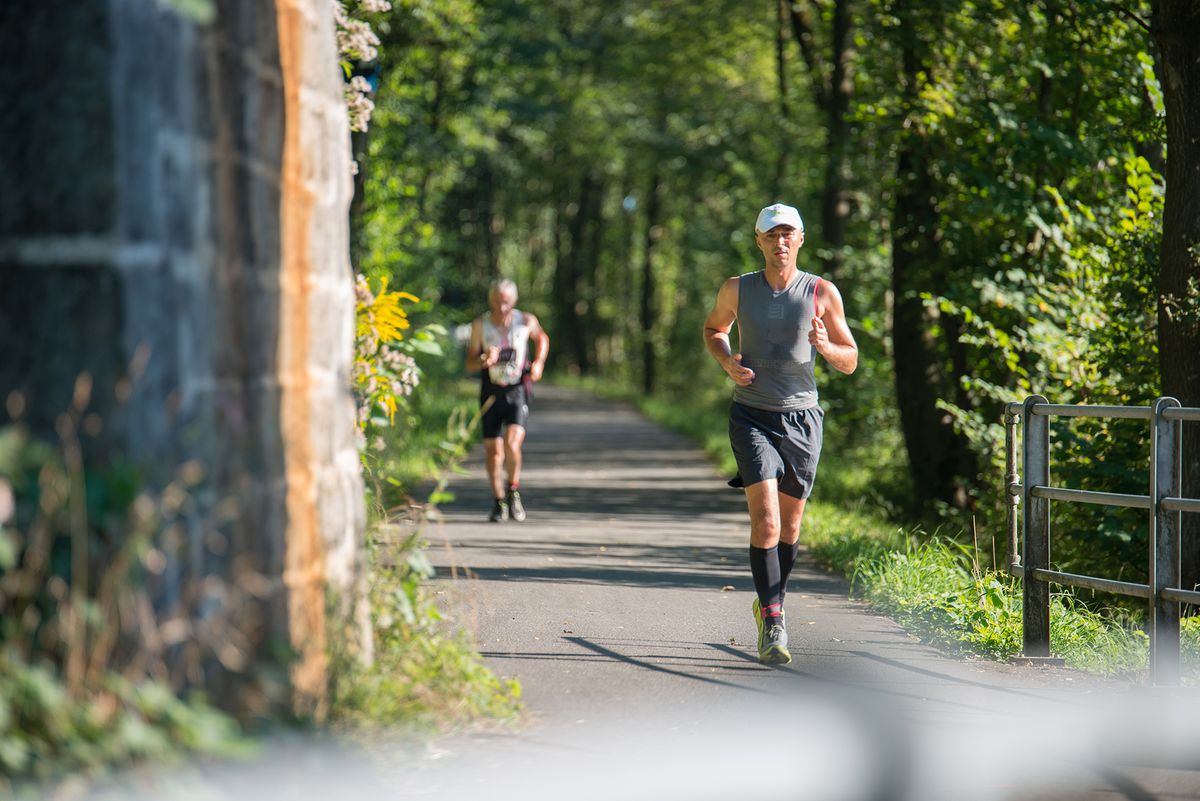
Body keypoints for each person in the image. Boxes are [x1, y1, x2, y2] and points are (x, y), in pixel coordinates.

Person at [702, 203, 858, 665]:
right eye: (771, 235)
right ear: (759, 241)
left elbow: (849, 360)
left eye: (788, 234)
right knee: (767, 520)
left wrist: (825, 345)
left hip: (802, 420)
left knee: (790, 526)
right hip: (752, 415)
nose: (780, 242)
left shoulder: (821, 292)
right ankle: (773, 618)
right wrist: (727, 361)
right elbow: (714, 329)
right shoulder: (737, 288)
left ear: (801, 239)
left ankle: (771, 600)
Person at [465, 278, 550, 523]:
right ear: (490, 301)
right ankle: (498, 501)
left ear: (513, 301)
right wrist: (483, 360)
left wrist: (539, 363)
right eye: (495, 302)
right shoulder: (480, 325)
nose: (500, 308)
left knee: (513, 443)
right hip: (491, 391)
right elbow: (469, 362)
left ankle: (513, 491)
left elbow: (542, 338)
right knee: (493, 452)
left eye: (505, 302)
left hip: (517, 390)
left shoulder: (525, 320)